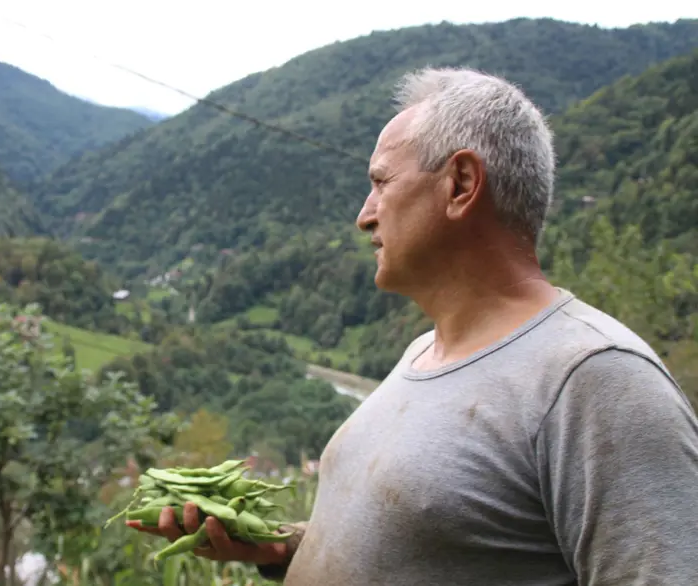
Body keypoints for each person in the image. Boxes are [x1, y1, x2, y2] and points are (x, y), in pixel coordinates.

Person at [127, 67, 698, 585]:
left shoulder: (596, 379)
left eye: (380, 182)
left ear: (460, 185)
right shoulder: (424, 352)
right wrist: (282, 550)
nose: (363, 214)